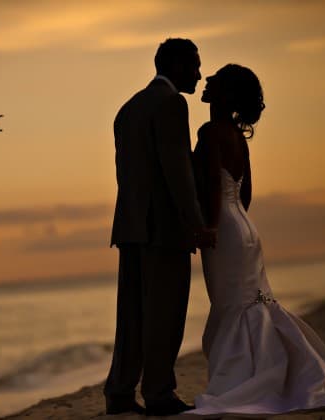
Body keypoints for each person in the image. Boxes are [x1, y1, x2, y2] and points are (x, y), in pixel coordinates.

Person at [185, 64, 325, 416]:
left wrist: (211, 228)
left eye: (216, 78)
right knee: (254, 302)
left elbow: (213, 190)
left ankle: (248, 378)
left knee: (233, 305)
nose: (208, 80)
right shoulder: (235, 134)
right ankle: (285, 372)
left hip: (224, 228)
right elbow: (244, 192)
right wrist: (236, 222)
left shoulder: (210, 131)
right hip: (244, 226)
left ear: (227, 93)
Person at [104, 38, 216, 416]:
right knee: (165, 315)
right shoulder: (171, 103)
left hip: (131, 226)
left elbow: (127, 175)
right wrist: (196, 223)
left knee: (131, 316)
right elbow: (177, 172)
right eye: (195, 66)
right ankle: (158, 393)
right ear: (177, 65)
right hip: (163, 229)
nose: (200, 75)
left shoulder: (128, 108)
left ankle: (119, 392)